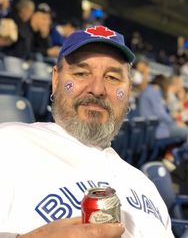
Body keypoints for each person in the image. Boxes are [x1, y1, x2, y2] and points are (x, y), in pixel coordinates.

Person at [0, 25, 174, 238]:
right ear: (56, 81)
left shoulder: (146, 187)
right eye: (81, 73)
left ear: (128, 91)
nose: (97, 89)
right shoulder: (8, 144)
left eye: (112, 77)